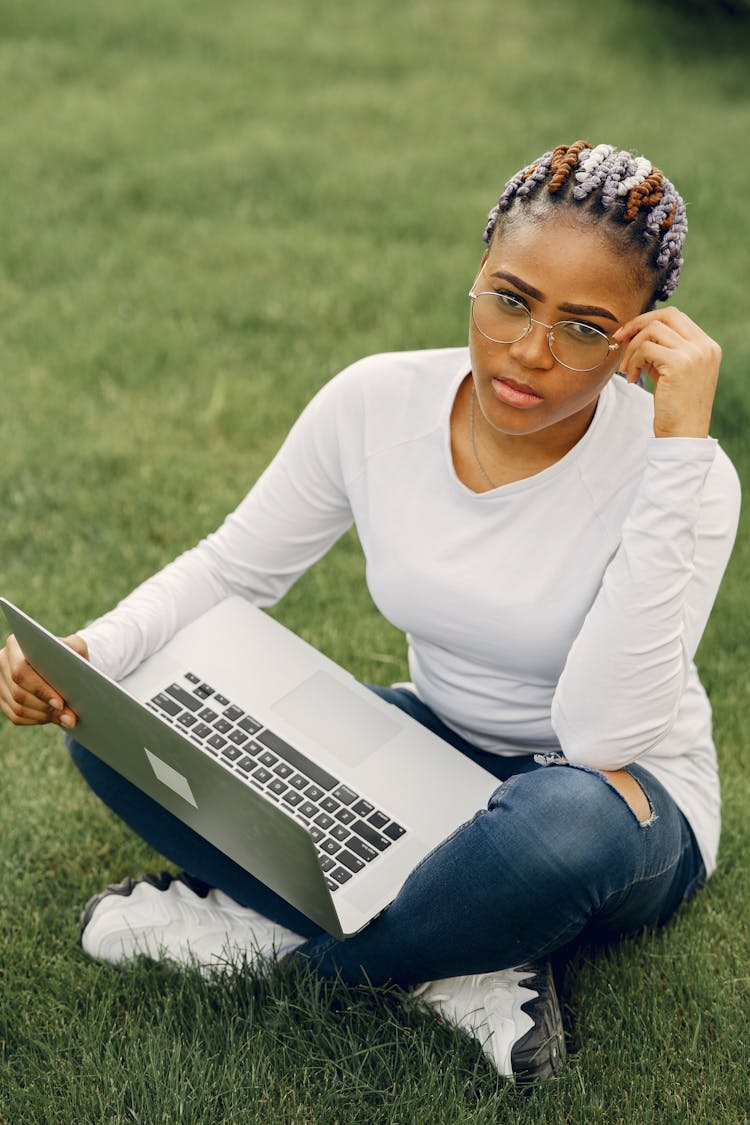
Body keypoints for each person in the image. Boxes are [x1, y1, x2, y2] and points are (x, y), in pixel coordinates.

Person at [0, 140, 741, 1084]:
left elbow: (599, 735)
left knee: (555, 828)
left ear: (643, 335)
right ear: (477, 274)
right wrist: (90, 650)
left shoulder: (686, 473)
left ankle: (283, 955)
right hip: (433, 747)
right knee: (118, 707)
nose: (529, 352)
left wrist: (676, 453)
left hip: (614, 798)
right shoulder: (376, 400)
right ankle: (460, 949)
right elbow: (232, 567)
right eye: (510, 299)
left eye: (585, 328)